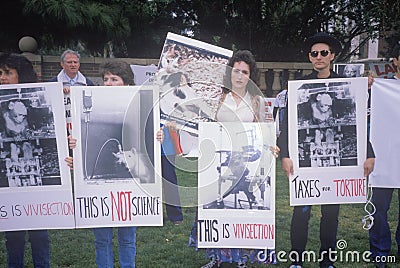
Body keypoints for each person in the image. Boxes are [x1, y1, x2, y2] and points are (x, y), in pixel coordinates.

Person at [277, 32, 375, 268]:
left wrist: (369, 153)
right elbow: (287, 125)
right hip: (305, 161)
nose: (318, 57)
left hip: (336, 163)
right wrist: (286, 155)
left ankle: (327, 260)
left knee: (330, 215)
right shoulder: (300, 87)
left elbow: (358, 125)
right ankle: (296, 260)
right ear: (310, 57)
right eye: (314, 53)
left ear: (332, 56)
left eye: (323, 53)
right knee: (301, 212)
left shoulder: (346, 85)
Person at [190, 50, 279, 268]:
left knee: (241, 209)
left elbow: (264, 131)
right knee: (216, 205)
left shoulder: (256, 101)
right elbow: (204, 128)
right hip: (219, 161)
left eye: (244, 72)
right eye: (236, 71)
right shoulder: (218, 98)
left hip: (245, 161)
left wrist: (271, 147)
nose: (239, 76)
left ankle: (240, 259)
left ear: (250, 76)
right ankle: (217, 257)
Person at [0, 53, 72, 268]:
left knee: (39, 234)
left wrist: (65, 97)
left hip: (35, 182)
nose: (2, 77)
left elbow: (58, 130)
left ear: (20, 76)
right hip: (8, 179)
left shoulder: (35, 108)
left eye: (7, 73)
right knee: (13, 237)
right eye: (0, 73)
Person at [368, 42, 400, 268]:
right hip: (385, 157)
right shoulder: (382, 88)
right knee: (379, 207)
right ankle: (380, 250)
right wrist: (366, 85)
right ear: (396, 61)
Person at [49, 49, 94, 134]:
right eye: (69, 62)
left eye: (75, 62)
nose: (73, 65)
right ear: (62, 64)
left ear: (79, 64)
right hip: (61, 126)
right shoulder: (53, 83)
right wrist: (59, 93)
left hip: (82, 126)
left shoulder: (88, 83)